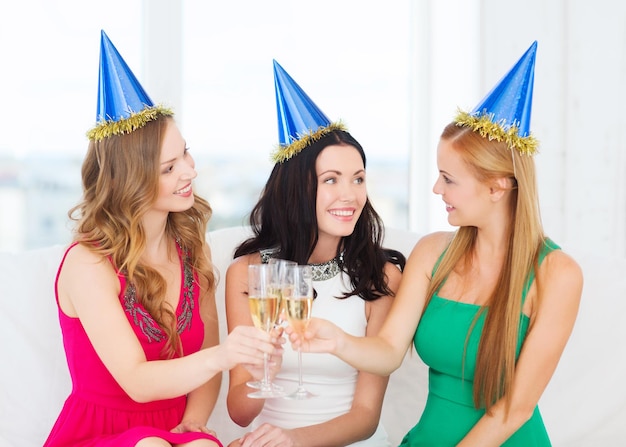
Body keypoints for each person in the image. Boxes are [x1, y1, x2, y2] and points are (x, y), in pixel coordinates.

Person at [289, 41, 583, 446]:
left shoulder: (557, 274)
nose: (435, 188)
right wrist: (338, 341)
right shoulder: (432, 253)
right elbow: (390, 351)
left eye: (449, 178)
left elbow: (513, 410)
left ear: (497, 187)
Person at [43, 30, 275, 447]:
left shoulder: (191, 249)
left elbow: (207, 345)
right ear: (129, 181)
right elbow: (136, 381)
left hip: (172, 430)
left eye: (185, 153)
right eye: (169, 168)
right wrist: (223, 358)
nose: (190, 171)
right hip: (101, 434)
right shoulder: (88, 263)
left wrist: (195, 421)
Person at [224, 60, 405, 447]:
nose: (350, 195)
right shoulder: (249, 274)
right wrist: (261, 372)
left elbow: (365, 418)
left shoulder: (381, 276)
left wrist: (293, 439)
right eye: (331, 180)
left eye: (358, 178)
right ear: (297, 190)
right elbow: (239, 412)